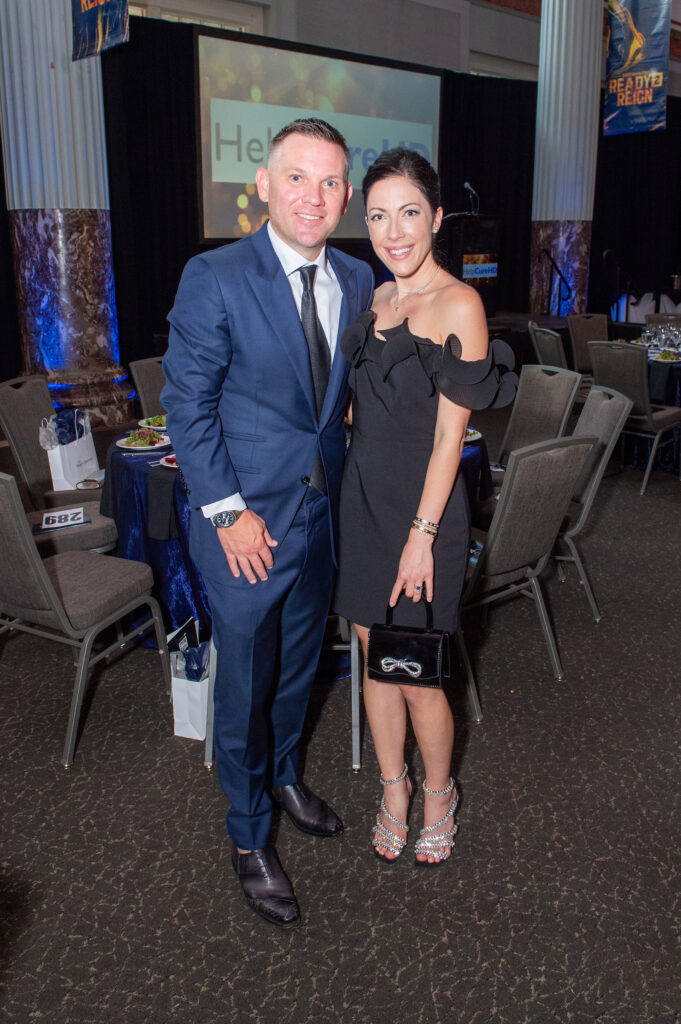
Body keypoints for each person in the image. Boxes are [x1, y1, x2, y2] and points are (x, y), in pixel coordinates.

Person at [162, 118, 374, 927]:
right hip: (243, 527)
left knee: (295, 669)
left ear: (345, 196)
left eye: (328, 183)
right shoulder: (214, 275)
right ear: (263, 185)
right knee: (245, 682)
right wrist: (227, 515)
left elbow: (331, 398)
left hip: (319, 518)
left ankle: (284, 776)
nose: (312, 197)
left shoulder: (355, 279)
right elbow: (188, 404)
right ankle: (249, 832)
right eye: (296, 178)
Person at [334, 148, 516, 867]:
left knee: (417, 674)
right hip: (361, 504)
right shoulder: (376, 299)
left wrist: (421, 536)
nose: (393, 230)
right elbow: (364, 409)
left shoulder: (458, 304)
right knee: (372, 659)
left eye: (408, 212)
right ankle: (392, 787)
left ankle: (439, 791)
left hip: (423, 516)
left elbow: (450, 436)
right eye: (377, 216)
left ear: (436, 217)